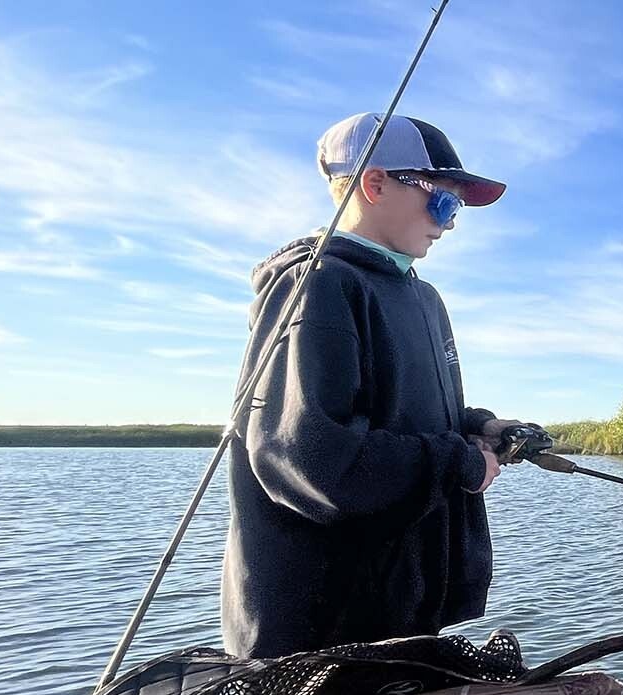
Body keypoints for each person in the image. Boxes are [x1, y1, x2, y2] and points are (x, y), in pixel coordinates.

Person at [222, 112, 522, 659]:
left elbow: (407, 412)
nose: (450, 222)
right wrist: (457, 463)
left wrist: (480, 428)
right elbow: (310, 457)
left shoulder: (423, 298)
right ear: (375, 183)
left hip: (402, 617)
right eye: (443, 201)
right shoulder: (317, 285)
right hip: (324, 638)